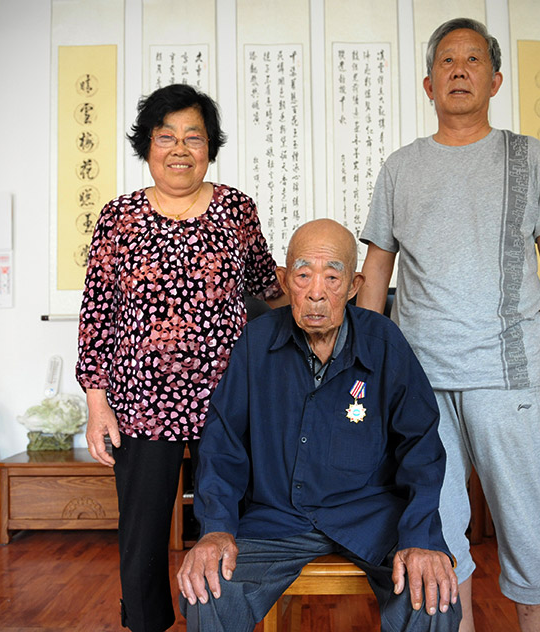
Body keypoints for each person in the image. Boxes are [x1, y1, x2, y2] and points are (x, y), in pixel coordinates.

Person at [357, 18, 540, 632]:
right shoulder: (400, 167)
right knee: (438, 529)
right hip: (419, 380)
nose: (459, 69)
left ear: (495, 79)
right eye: (447, 61)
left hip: (508, 374)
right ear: (428, 84)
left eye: (473, 59)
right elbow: (376, 271)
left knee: (526, 526)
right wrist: (365, 366)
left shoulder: (528, 156)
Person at [176, 219, 461, 632]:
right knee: (207, 590)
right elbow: (223, 445)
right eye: (303, 275)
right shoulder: (256, 342)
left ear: (354, 285)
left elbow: (421, 447)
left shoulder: (384, 342)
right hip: (276, 520)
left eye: (332, 277)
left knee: (430, 596)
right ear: (283, 280)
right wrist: (216, 529)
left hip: (371, 517)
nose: (315, 292)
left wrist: (420, 537)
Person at [76, 84, 285, 632]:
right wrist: (97, 404)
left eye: (194, 137)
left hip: (230, 399)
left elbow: (267, 289)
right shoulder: (118, 218)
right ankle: (146, 622)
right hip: (142, 403)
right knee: (142, 532)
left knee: (238, 519)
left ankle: (231, 615)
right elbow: (97, 315)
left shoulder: (236, 209)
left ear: (209, 147)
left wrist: (326, 290)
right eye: (166, 136)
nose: (179, 149)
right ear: (147, 145)